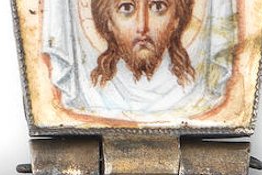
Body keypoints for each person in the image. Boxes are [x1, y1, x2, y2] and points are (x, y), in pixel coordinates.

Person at [40, 0, 238, 119]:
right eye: (127, 7)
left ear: (177, 19)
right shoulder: (88, 92)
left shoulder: (197, 94)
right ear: (107, 20)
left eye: (158, 6)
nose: (142, 26)